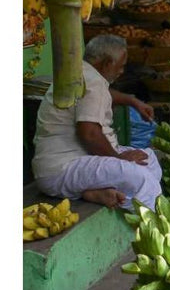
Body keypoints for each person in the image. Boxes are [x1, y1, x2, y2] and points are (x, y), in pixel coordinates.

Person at [32, 34, 162, 211]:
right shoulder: (92, 81)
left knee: (149, 159)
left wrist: (133, 101)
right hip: (62, 168)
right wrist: (118, 158)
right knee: (141, 178)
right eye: (121, 66)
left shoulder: (80, 74)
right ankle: (154, 231)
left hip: (62, 166)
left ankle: (102, 194)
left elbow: (102, 96)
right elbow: (90, 134)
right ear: (107, 63)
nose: (121, 71)